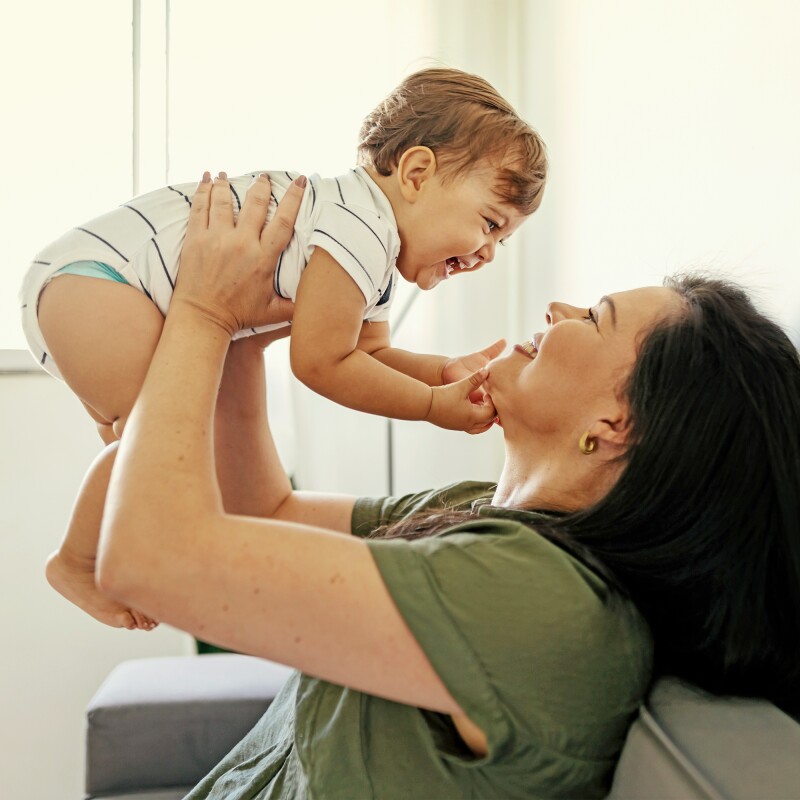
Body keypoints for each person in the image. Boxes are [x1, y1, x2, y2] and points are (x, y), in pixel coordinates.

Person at [94, 173, 800, 798]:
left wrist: (203, 314)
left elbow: (148, 560)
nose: (558, 309)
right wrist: (246, 335)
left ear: (617, 422)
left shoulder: (537, 600)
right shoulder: (479, 516)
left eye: (595, 318)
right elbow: (264, 511)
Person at [19, 67, 547, 629]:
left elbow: (366, 353)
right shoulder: (361, 232)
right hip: (100, 284)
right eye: (490, 223)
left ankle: (104, 532)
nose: (490, 252)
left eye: (504, 240)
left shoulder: (372, 249)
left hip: (100, 287)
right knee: (159, 443)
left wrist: (439, 372)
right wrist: (429, 405)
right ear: (417, 173)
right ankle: (77, 561)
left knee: (153, 442)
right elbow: (322, 362)